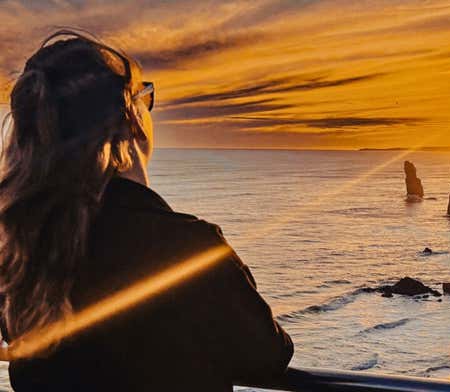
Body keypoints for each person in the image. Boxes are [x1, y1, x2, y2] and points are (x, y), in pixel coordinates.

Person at [0, 30, 293, 391]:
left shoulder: (20, 250)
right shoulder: (187, 247)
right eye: (146, 97)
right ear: (131, 117)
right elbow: (268, 356)